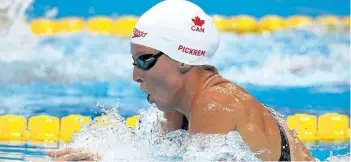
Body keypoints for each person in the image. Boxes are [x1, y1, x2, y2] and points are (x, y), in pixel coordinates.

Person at [47, 0, 315, 161]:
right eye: (134, 62)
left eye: (144, 60)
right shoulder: (176, 110)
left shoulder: (216, 101)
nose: (135, 75)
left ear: (183, 59)